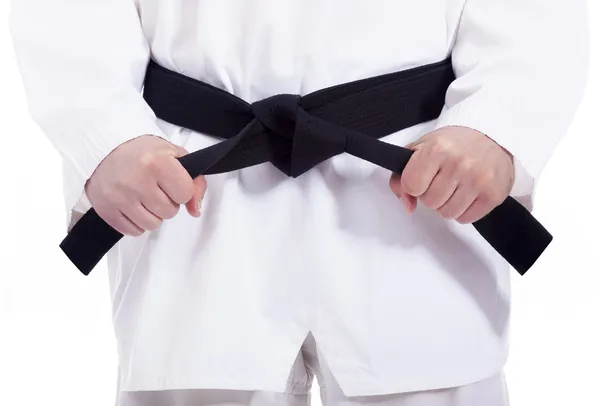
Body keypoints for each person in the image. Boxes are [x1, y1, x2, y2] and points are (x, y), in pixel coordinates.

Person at [10, 1, 588, 405]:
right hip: (193, 194)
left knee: (427, 370)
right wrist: (107, 138)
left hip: (416, 186)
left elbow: (534, 19)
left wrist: (495, 129)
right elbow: (69, 15)